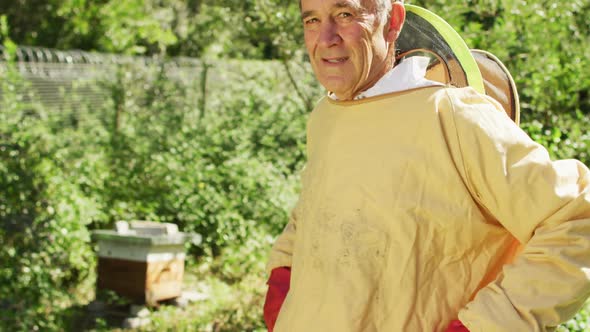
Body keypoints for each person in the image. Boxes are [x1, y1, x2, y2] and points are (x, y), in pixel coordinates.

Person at [264, 0, 590, 331]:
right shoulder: (325, 115)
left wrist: (486, 325)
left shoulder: (452, 115)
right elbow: (317, 208)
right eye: (312, 21)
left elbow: (576, 219)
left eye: (345, 15)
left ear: (393, 22)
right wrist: (283, 279)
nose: (326, 38)